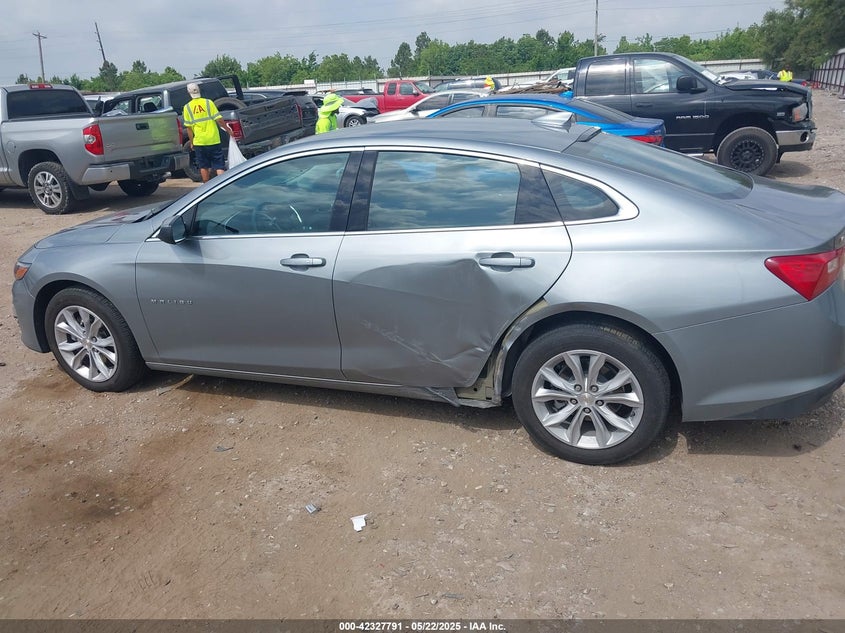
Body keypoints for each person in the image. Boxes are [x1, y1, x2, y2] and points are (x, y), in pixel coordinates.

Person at [182, 82, 232, 183]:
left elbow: (189, 128)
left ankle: (206, 185)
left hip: (200, 142)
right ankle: (222, 185)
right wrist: (228, 130)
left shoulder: (187, 107)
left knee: (204, 166)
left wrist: (192, 142)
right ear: (199, 90)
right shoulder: (208, 103)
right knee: (219, 165)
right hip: (213, 140)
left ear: (188, 93)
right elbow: (219, 119)